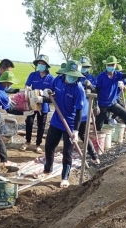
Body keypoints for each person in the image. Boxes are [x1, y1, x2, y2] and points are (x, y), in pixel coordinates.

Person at [38, 60, 85, 188]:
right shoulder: (58, 80)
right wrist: (47, 91)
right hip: (56, 120)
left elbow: (79, 111)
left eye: (75, 76)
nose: (72, 78)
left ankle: (65, 177)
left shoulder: (79, 89)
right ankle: (48, 168)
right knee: (49, 146)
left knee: (67, 152)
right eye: (71, 75)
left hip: (70, 124)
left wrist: (75, 130)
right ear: (65, 73)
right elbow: (51, 92)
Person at [95, 56, 126, 143]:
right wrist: (96, 105)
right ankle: (97, 142)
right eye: (109, 64)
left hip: (113, 103)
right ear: (106, 65)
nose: (110, 66)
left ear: (115, 65)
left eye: (112, 64)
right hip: (102, 104)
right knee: (99, 124)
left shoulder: (117, 75)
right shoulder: (100, 77)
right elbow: (96, 91)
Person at [20, 54, 54, 154]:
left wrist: (45, 95)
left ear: (46, 66)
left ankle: (38, 144)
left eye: (42, 64)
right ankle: (27, 141)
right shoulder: (32, 75)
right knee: (29, 122)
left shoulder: (51, 78)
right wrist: (27, 88)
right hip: (32, 103)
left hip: (43, 105)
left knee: (41, 125)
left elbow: (52, 92)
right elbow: (27, 85)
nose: (40, 65)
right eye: (39, 63)